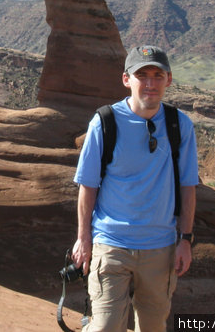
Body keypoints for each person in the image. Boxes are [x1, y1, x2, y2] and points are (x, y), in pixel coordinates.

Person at [72, 45, 199, 332]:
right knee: (104, 327)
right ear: (127, 79)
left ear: (169, 79)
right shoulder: (105, 122)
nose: (151, 83)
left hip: (160, 248)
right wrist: (83, 238)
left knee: (153, 327)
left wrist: (186, 240)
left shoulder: (180, 125)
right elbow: (88, 185)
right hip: (111, 244)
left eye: (158, 75)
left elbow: (188, 186)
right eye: (143, 75)